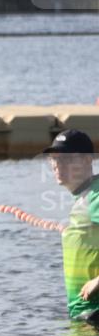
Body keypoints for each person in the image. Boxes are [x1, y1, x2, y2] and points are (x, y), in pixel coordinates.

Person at [43, 129, 99, 326]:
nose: (57, 164)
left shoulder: (95, 195)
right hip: (86, 317)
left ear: (86, 160)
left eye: (65, 158)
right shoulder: (86, 195)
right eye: (54, 158)